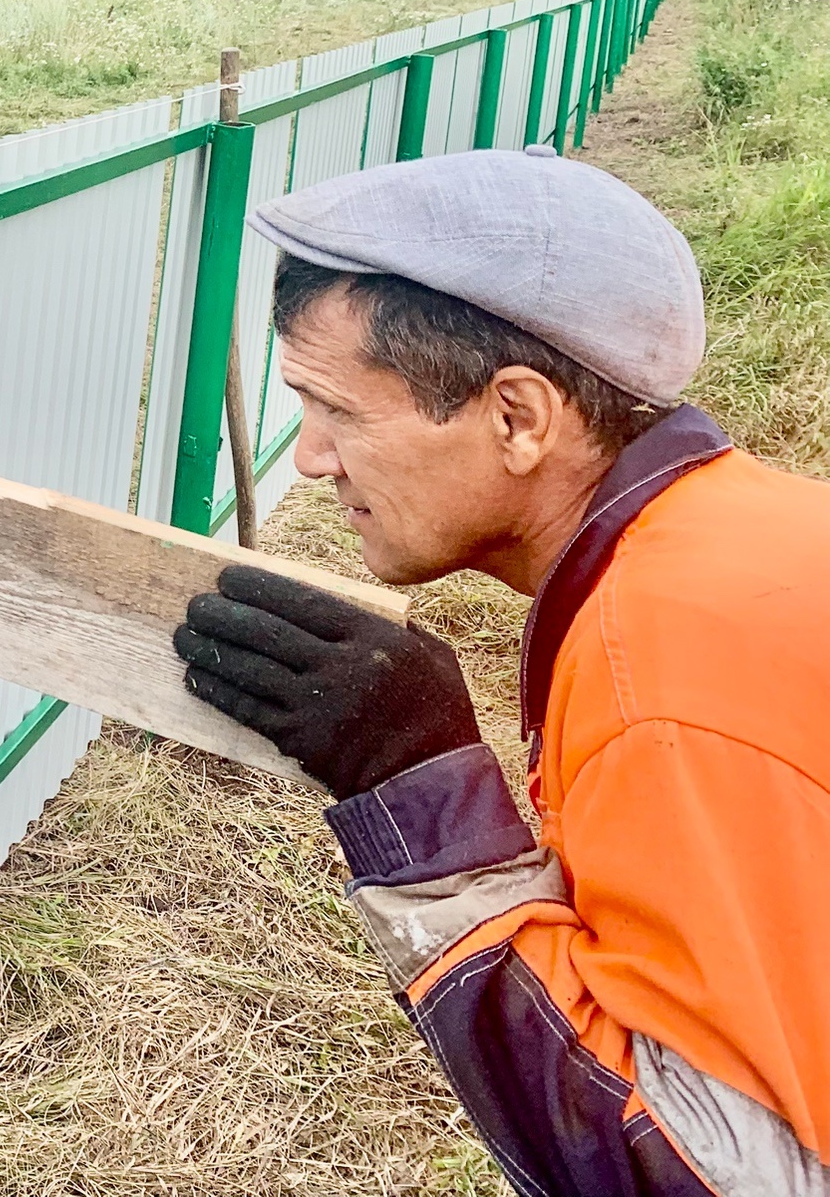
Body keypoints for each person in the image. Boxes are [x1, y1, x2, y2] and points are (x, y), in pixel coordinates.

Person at [170, 147, 830, 1195]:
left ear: (518, 418)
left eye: (337, 409)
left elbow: (698, 1170)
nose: (309, 457)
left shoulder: (663, 677)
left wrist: (417, 792)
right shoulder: (741, 537)